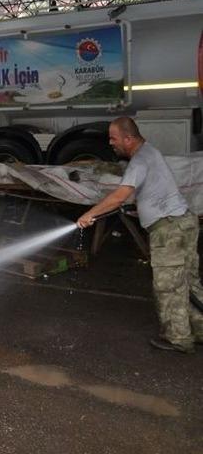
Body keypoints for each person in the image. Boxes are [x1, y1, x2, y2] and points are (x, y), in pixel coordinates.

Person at [77, 117, 203, 353]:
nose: (111, 143)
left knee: (169, 286)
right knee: (188, 281)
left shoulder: (139, 161)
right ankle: (199, 330)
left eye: (113, 138)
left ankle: (178, 339)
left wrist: (89, 214)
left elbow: (118, 197)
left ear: (128, 138)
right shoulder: (150, 151)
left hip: (169, 229)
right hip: (183, 222)